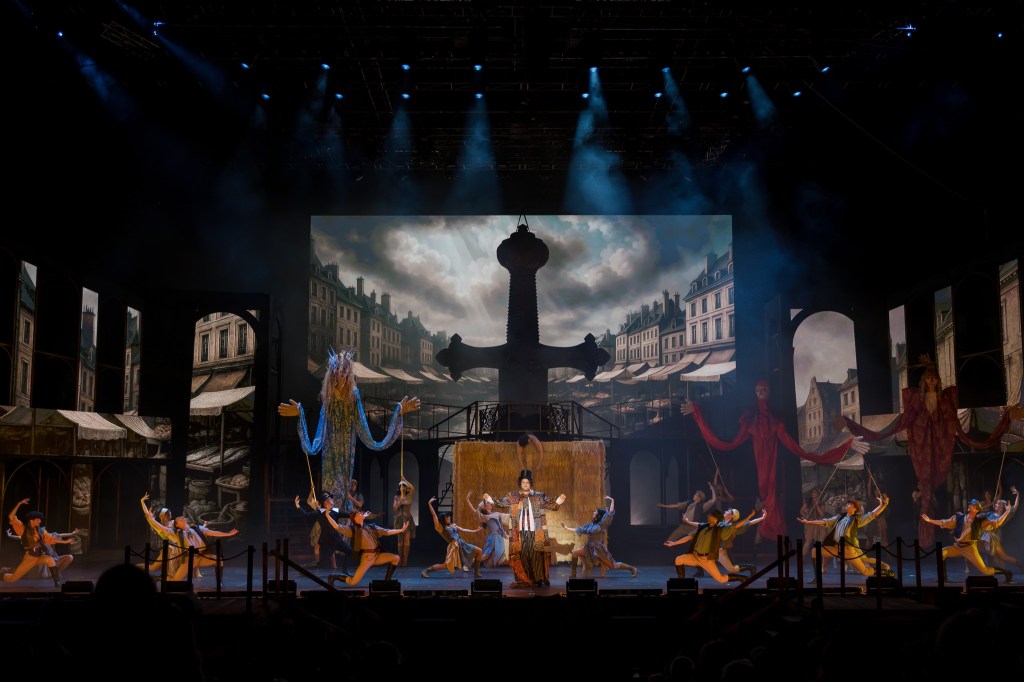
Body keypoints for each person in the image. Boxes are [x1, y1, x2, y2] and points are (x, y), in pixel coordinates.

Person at [836, 354, 1023, 547]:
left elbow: (950, 420)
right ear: (924, 382)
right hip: (922, 438)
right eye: (929, 379)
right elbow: (901, 423)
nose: (932, 381)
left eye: (934, 379)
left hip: (940, 437)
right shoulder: (919, 402)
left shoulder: (944, 401)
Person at [682, 379, 869, 544]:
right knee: (766, 493)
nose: (761, 393)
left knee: (770, 493)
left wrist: (846, 444)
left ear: (769, 392)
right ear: (755, 392)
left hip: (771, 469)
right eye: (758, 390)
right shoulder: (751, 419)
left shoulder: (775, 421)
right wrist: (696, 413)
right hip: (761, 472)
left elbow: (800, 450)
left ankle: (766, 531)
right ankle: (764, 530)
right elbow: (727, 444)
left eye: (764, 390)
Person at [278, 346, 421, 510]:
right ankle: (328, 517)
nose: (343, 372)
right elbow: (320, 430)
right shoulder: (329, 397)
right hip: (330, 450)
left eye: (345, 369)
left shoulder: (354, 395)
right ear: (333, 371)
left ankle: (341, 520)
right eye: (339, 369)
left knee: (343, 491)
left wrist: (398, 412)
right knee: (330, 492)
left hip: (346, 450)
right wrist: (301, 413)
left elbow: (363, 428)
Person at [484, 467, 566, 588]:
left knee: (537, 556)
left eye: (527, 482)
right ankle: (525, 579)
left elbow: (551, 505)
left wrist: (559, 500)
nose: (525, 484)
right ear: (520, 483)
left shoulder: (539, 496)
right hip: (519, 532)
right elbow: (501, 502)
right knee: (522, 556)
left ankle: (539, 579)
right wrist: (489, 499)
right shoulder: (513, 496)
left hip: (536, 531)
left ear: (530, 483)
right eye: (523, 482)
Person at [139, 493, 238, 581]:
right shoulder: (173, 532)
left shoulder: (191, 527)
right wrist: (148, 514)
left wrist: (228, 534)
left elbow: (211, 532)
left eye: (170, 514)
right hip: (175, 551)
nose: (171, 516)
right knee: (166, 573)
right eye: (168, 515)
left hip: (194, 554)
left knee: (217, 560)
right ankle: (157, 577)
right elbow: (154, 522)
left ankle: (216, 583)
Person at [921, 492, 1016, 583]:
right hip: (957, 547)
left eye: (973, 505)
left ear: (977, 510)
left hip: (970, 549)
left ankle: (1005, 572)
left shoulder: (979, 522)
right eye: (970, 504)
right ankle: (943, 578)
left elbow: (997, 522)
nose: (970, 505)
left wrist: (1007, 511)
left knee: (986, 571)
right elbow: (944, 522)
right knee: (941, 553)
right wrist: (930, 520)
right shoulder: (959, 518)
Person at [797, 494, 894, 579]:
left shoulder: (857, 519)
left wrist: (883, 505)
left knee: (864, 570)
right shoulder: (839, 517)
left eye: (849, 504)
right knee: (815, 551)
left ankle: (883, 571)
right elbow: (824, 521)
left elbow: (872, 515)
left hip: (848, 550)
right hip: (837, 549)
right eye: (847, 504)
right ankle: (816, 577)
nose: (847, 505)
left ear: (855, 509)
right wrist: (808, 522)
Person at [1, 498, 76, 587]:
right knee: (13, 579)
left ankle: (57, 581)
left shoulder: (41, 531)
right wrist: (19, 503)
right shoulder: (22, 529)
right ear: (31, 520)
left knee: (50, 559)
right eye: (37, 519)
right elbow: (11, 516)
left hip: (40, 556)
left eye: (40, 519)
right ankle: (2, 575)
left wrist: (65, 542)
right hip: (30, 558)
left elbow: (51, 539)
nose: (40, 521)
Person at [327, 509, 409, 586]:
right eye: (359, 514)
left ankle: (387, 580)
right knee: (353, 582)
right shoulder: (353, 530)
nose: (361, 514)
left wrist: (401, 530)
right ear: (355, 519)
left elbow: (387, 532)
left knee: (396, 558)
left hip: (377, 556)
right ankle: (334, 577)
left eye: (361, 513)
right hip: (367, 558)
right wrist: (327, 515)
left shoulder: (370, 527)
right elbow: (337, 527)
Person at [561, 495, 638, 578]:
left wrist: (612, 500)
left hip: (598, 549)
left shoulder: (602, 524)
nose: (593, 512)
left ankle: (632, 568)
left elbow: (610, 512)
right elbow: (579, 529)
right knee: (574, 553)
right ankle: (573, 574)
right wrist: (566, 528)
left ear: (599, 515)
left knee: (613, 565)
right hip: (589, 548)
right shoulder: (590, 524)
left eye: (595, 512)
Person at [663, 508, 746, 583]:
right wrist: (674, 543)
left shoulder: (719, 530)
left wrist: (749, 516)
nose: (708, 515)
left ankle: (741, 578)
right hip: (695, 556)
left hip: (707, 560)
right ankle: (681, 582)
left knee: (720, 579)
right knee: (678, 560)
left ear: (716, 519)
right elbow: (689, 537)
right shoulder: (703, 527)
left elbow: (734, 526)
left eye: (711, 515)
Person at [421, 496, 484, 578]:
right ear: (444, 519)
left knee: (479, 551)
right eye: (447, 517)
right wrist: (429, 504)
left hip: (461, 543)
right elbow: (434, 516)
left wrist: (475, 531)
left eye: (449, 516)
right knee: (446, 565)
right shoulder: (441, 528)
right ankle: (427, 570)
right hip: (453, 547)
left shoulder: (453, 525)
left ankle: (476, 572)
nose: (449, 517)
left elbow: (463, 530)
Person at [294, 490, 353, 575]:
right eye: (330, 499)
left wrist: (359, 515)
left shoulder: (336, 511)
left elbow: (348, 515)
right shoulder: (320, 512)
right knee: (322, 564)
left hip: (336, 540)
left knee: (349, 551)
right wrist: (298, 506)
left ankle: (345, 570)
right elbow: (306, 515)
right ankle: (304, 568)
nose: (332, 499)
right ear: (325, 503)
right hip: (326, 543)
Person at [466, 490, 510, 567]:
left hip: (501, 536)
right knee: (485, 556)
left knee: (507, 551)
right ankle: (468, 563)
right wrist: (467, 499)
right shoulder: (485, 517)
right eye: (488, 503)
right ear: (485, 507)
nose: (490, 504)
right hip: (494, 537)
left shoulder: (497, 514)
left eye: (489, 503)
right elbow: (474, 511)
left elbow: (507, 517)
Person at [980, 486, 1019, 569]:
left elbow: (1015, 507)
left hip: (994, 538)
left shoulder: (1004, 516)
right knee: (991, 555)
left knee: (1001, 557)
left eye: (997, 504)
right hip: (984, 537)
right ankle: (992, 569)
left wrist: (1017, 495)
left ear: (1001, 507)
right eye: (996, 504)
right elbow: (978, 514)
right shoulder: (990, 513)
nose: (995, 504)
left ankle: (1017, 564)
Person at [392, 475, 416, 566]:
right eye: (401, 486)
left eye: (405, 486)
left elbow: (413, 488)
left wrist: (404, 480)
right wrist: (399, 502)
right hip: (399, 519)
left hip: (407, 519)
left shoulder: (409, 495)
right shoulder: (396, 497)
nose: (403, 488)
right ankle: (400, 560)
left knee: (406, 541)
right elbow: (394, 508)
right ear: (399, 488)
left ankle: (405, 560)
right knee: (400, 542)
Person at [799, 488, 828, 560]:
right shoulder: (808, 502)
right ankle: (801, 557)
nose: (813, 493)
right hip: (810, 524)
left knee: (819, 542)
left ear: (818, 494)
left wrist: (817, 505)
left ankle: (818, 557)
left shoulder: (821, 503)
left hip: (819, 523)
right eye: (812, 492)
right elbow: (801, 511)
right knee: (808, 541)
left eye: (815, 492)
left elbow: (822, 514)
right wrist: (806, 517)